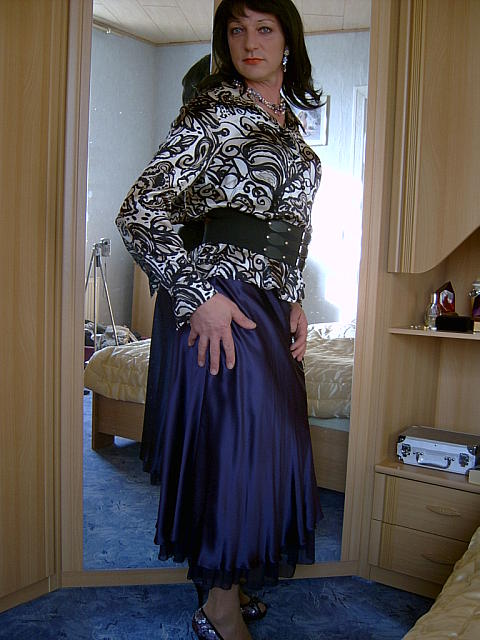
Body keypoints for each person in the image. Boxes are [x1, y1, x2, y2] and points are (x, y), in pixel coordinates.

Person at [116, 1, 323, 638]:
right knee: (231, 452)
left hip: (268, 305)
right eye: (236, 30)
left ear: (287, 39)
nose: (248, 42)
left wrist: (294, 298)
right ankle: (218, 607)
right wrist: (197, 295)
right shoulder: (214, 112)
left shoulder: (290, 124)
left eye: (263, 28)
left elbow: (290, 228)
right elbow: (139, 212)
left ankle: (230, 576)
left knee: (267, 448)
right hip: (220, 300)